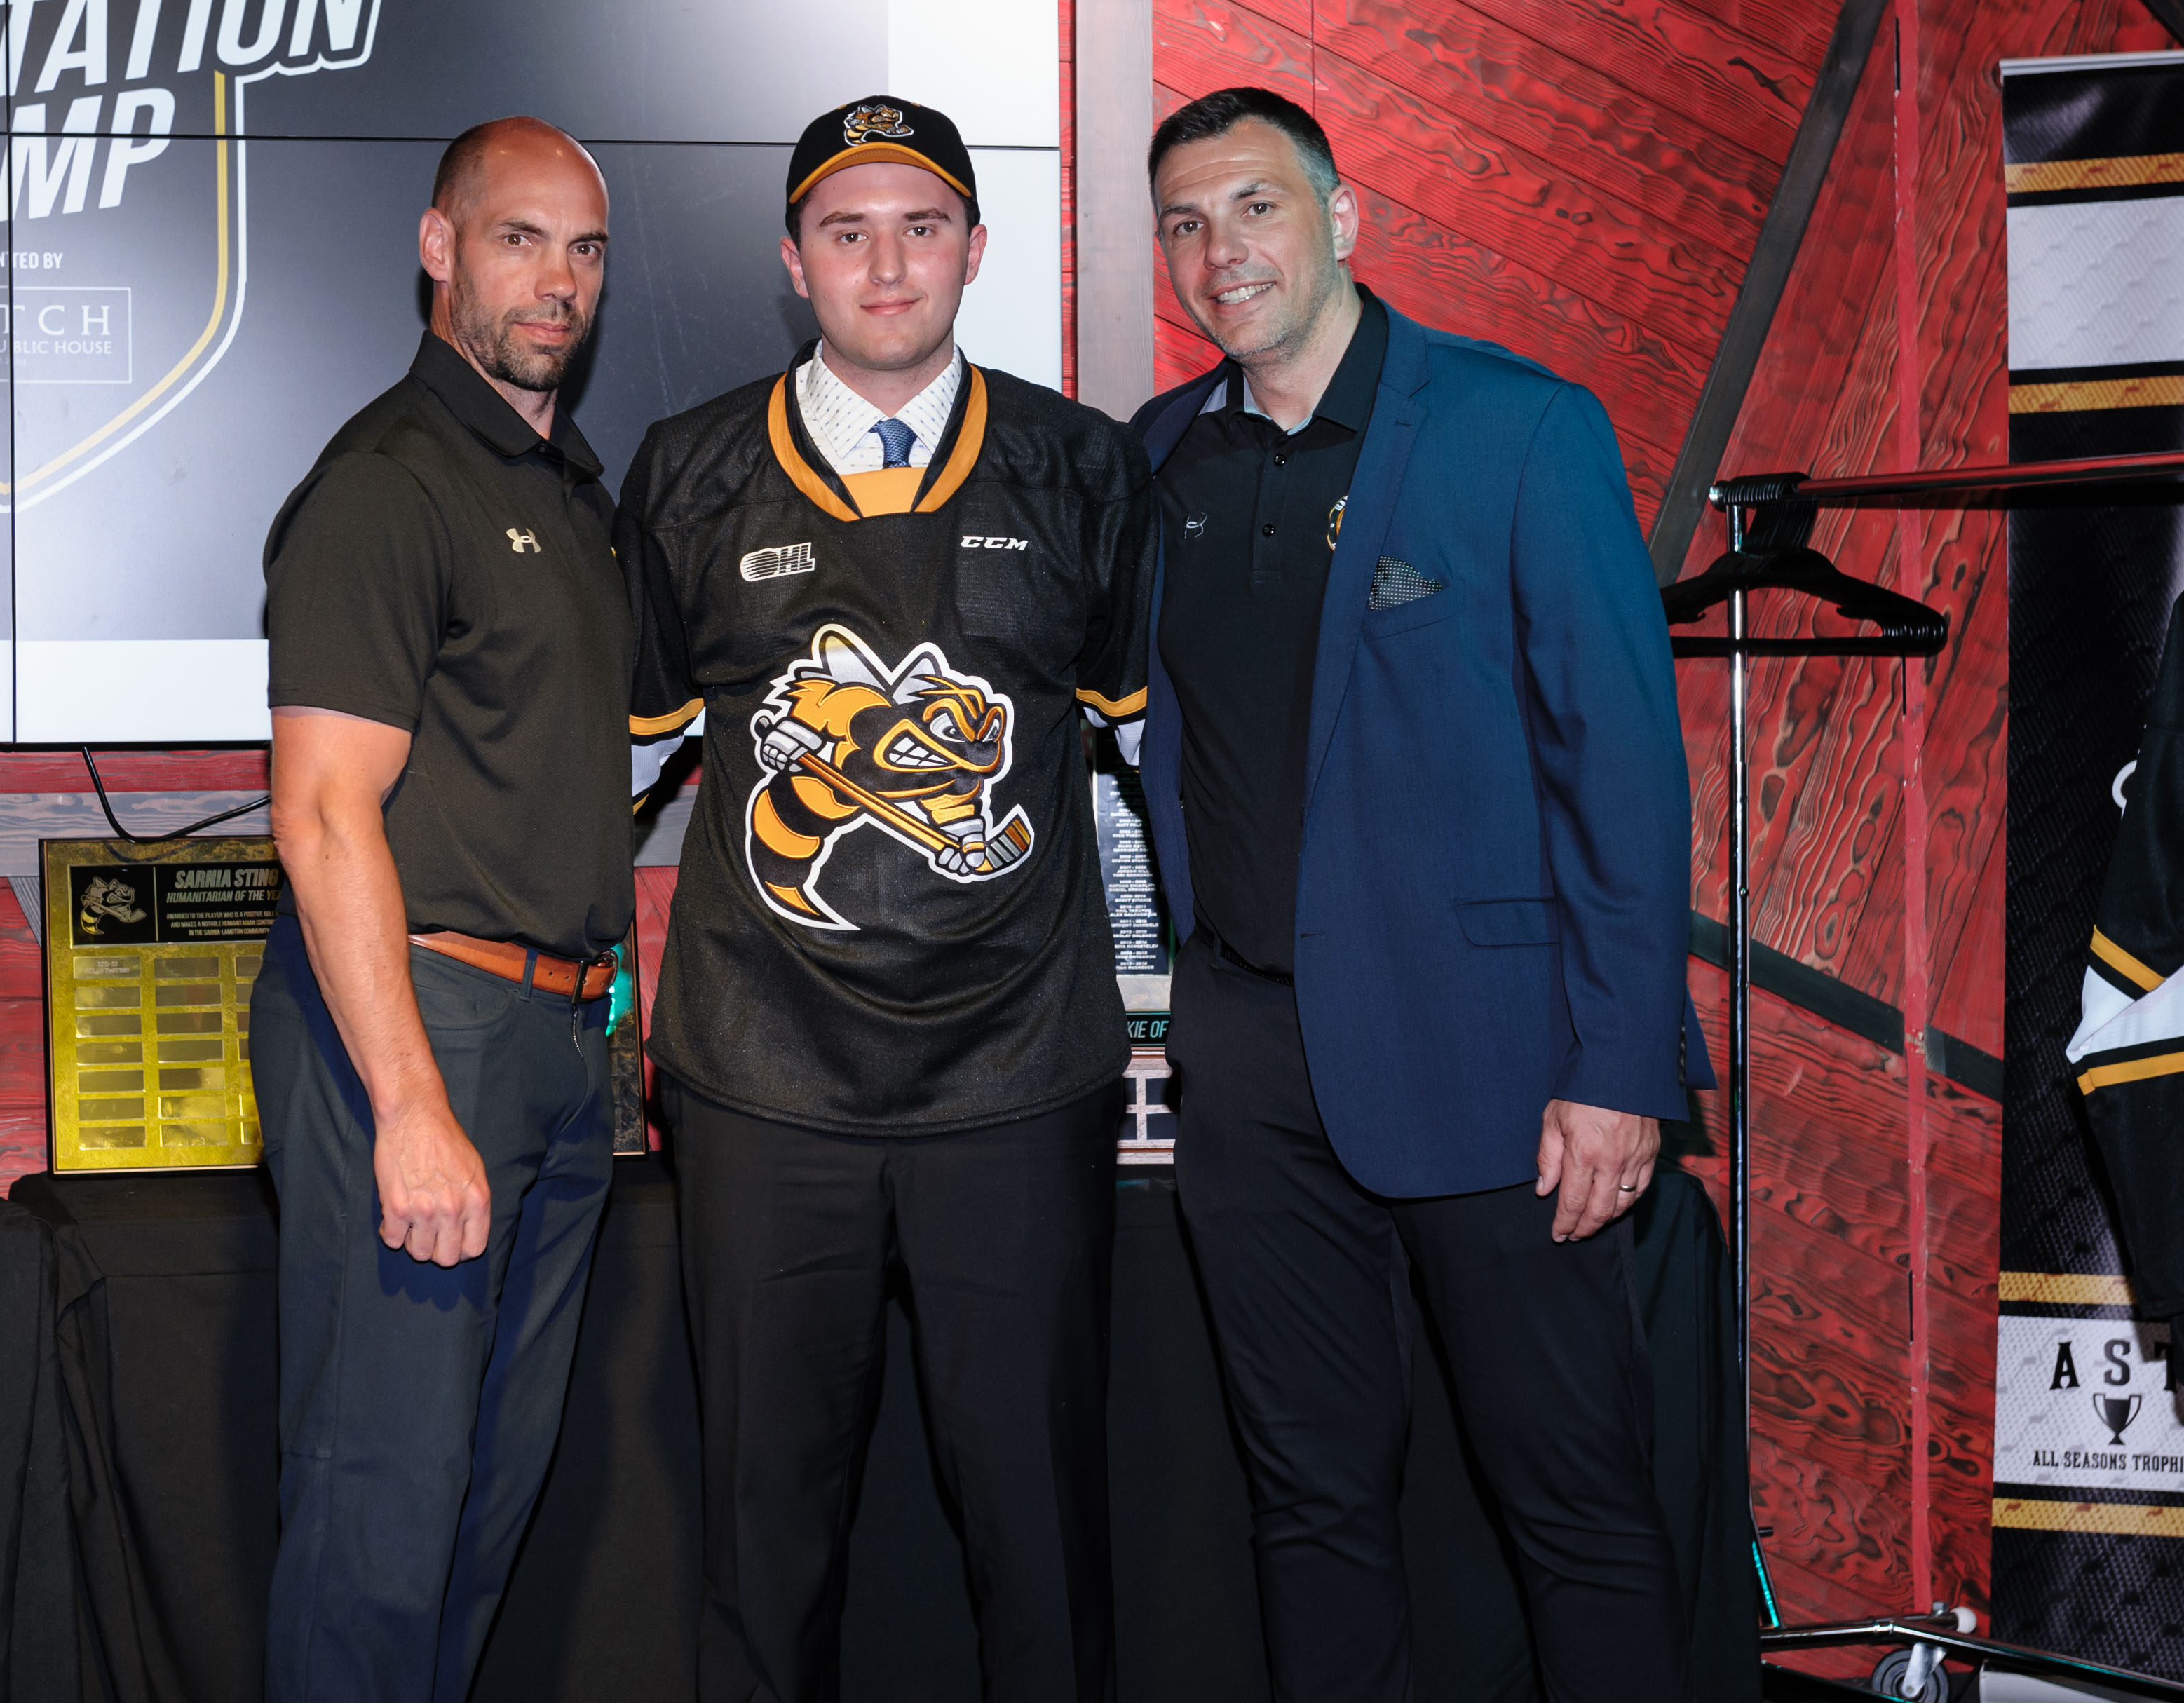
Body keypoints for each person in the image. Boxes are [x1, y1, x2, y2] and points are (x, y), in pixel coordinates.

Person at [1131, 86, 1707, 1702]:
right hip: (1249, 1063)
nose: (1221, 251)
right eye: (1185, 223)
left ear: (1341, 217)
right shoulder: (1160, 457)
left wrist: (1618, 1066)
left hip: (1496, 1061)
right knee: (1310, 1511)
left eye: (1255, 206)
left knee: (1575, 1510)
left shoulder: (1518, 427)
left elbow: (1621, 770)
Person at [622, 95, 1153, 1702]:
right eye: (846, 232)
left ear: (975, 250)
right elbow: (608, 768)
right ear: (794, 262)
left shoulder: (1080, 466)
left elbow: (1153, 765)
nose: (887, 264)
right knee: (764, 1543)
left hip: (1017, 1082)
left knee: (1041, 1545)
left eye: (921, 228)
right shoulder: (690, 470)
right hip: (764, 1084)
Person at [251, 117, 630, 1703]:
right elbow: (321, 811)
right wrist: (410, 1105)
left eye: (585, 250)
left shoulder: (567, 486)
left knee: (480, 1518)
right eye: (518, 238)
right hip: (420, 1035)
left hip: (556, 1043)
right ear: (438, 246)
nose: (558, 282)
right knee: (381, 1512)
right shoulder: (388, 482)